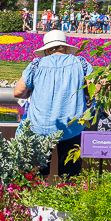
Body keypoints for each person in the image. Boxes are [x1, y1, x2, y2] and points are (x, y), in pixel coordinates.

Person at [13, 30, 92, 176]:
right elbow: (93, 90)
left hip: (40, 127)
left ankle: (40, 197)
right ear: (66, 48)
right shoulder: (81, 64)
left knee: (39, 173)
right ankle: (67, 197)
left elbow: (18, 92)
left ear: (47, 50)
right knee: (70, 174)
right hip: (72, 126)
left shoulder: (36, 64)